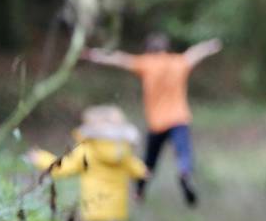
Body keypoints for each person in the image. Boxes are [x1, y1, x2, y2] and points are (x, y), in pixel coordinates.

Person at [81, 33, 222, 206]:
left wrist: (94, 54)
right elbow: (194, 53)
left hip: (157, 123)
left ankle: (140, 191)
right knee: (184, 153)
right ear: (166, 48)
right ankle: (185, 173)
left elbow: (120, 59)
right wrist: (210, 46)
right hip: (179, 119)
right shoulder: (178, 62)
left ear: (148, 50)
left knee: (149, 161)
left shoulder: (147, 63)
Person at [25, 105, 150, 221]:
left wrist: (41, 158)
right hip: (116, 204)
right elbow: (137, 168)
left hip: (95, 202)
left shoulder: (87, 150)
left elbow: (63, 167)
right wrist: (143, 172)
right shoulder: (122, 150)